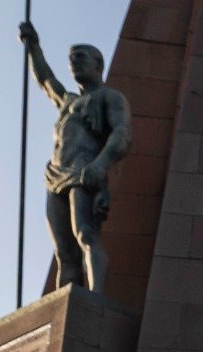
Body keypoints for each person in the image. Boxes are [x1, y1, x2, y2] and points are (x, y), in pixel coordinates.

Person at [18, 20, 133, 292]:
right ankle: (64, 305)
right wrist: (33, 46)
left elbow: (122, 135)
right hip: (55, 175)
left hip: (84, 170)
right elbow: (45, 80)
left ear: (98, 64)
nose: (74, 63)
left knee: (86, 235)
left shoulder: (109, 98)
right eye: (71, 59)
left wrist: (100, 165)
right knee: (64, 253)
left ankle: (95, 297)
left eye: (80, 57)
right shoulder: (67, 101)